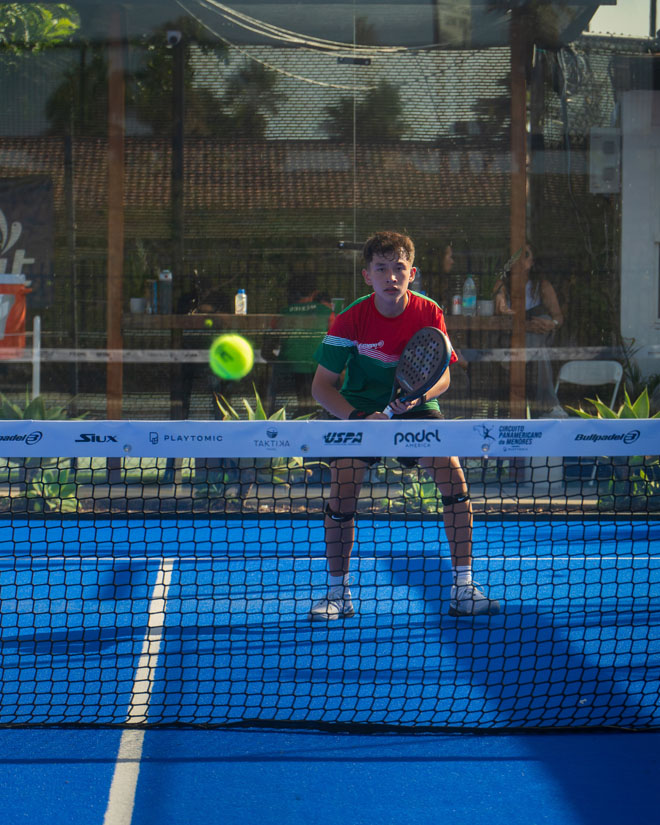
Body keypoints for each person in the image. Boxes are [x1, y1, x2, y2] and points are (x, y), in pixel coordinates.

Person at [309, 230, 500, 621]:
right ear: (367, 276)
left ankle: (463, 588)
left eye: (399, 268)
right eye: (381, 268)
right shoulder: (350, 320)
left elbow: (443, 375)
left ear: (412, 273)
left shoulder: (429, 312)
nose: (391, 276)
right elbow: (321, 387)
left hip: (416, 407)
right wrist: (360, 419)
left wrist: (418, 396)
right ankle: (338, 594)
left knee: (454, 481)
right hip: (360, 411)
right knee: (342, 491)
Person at [493, 245, 566, 418]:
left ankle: (516, 358)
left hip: (531, 341)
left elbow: (558, 317)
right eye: (516, 255)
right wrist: (523, 324)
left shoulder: (542, 286)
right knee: (541, 350)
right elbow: (500, 312)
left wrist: (552, 324)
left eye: (525, 255)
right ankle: (549, 406)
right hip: (511, 340)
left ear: (531, 262)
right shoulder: (503, 285)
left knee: (544, 317)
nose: (520, 259)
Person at [262, 284, 334, 417]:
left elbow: (266, 349)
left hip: (288, 371)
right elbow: (338, 343)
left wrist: (281, 365)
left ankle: (302, 414)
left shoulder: (281, 314)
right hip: (317, 369)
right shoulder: (326, 312)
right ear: (314, 293)